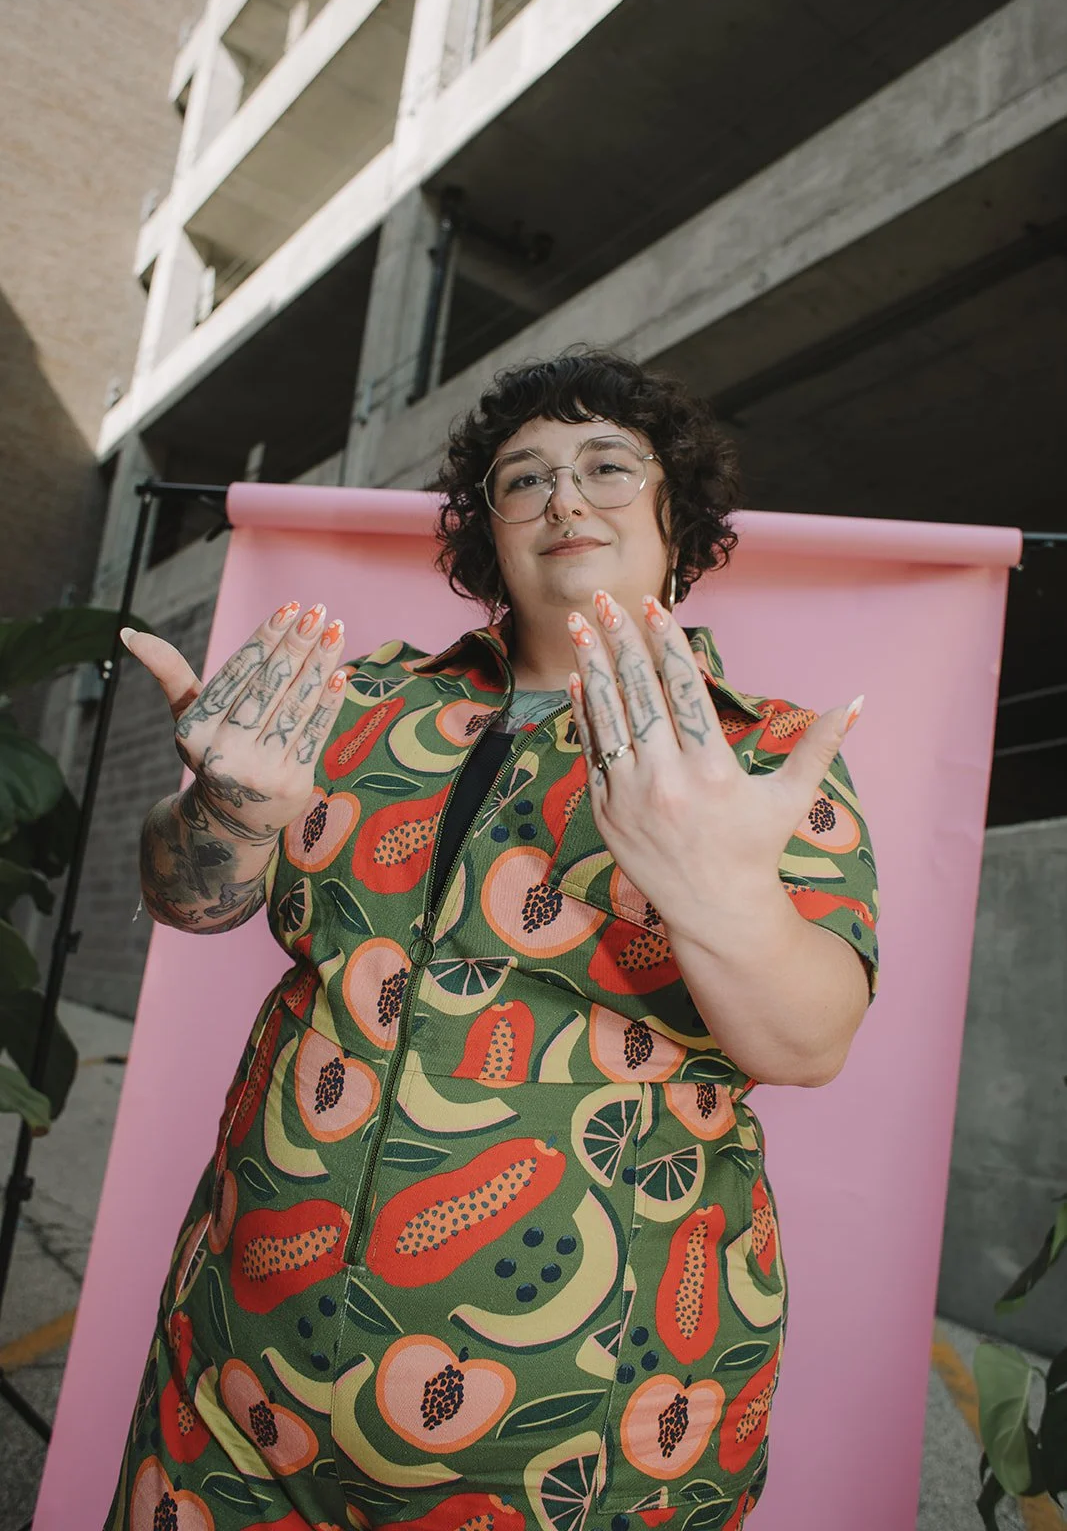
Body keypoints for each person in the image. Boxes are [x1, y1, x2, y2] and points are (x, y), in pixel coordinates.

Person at [109, 350, 878, 1531]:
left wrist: (715, 889)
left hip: (586, 1429)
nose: (566, 498)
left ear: (681, 518)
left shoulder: (760, 755)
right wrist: (227, 812)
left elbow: (807, 1039)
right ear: (487, 535)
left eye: (607, 467)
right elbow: (189, 899)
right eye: (523, 480)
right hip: (237, 1376)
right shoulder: (355, 700)